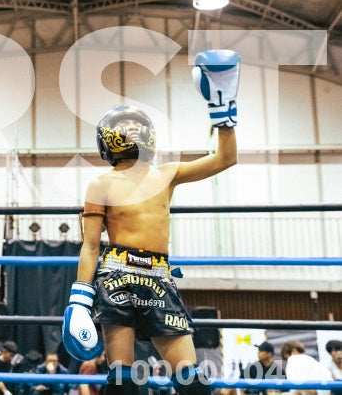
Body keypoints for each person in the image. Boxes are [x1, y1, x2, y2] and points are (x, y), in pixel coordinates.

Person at [63, 49, 241, 395]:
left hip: (159, 276)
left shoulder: (167, 173)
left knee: (191, 381)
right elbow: (90, 246)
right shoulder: (100, 184)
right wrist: (79, 298)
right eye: (124, 127)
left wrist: (223, 114)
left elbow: (225, 158)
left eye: (136, 126)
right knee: (123, 382)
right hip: (116, 276)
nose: (132, 130)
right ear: (109, 138)